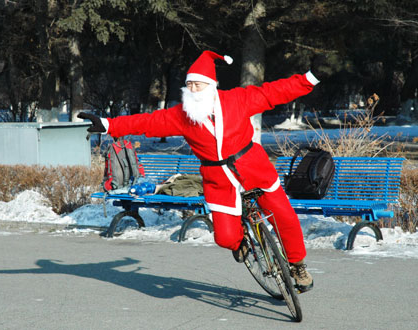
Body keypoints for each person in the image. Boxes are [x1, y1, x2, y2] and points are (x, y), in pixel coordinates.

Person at [79, 50, 331, 293]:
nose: (193, 90)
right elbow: (148, 122)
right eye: (189, 85)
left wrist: (310, 78)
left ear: (211, 85)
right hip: (219, 180)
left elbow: (273, 92)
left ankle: (297, 266)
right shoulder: (183, 115)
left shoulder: (236, 100)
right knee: (224, 237)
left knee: (283, 217)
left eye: (198, 85)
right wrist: (108, 124)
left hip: (253, 168)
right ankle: (240, 241)